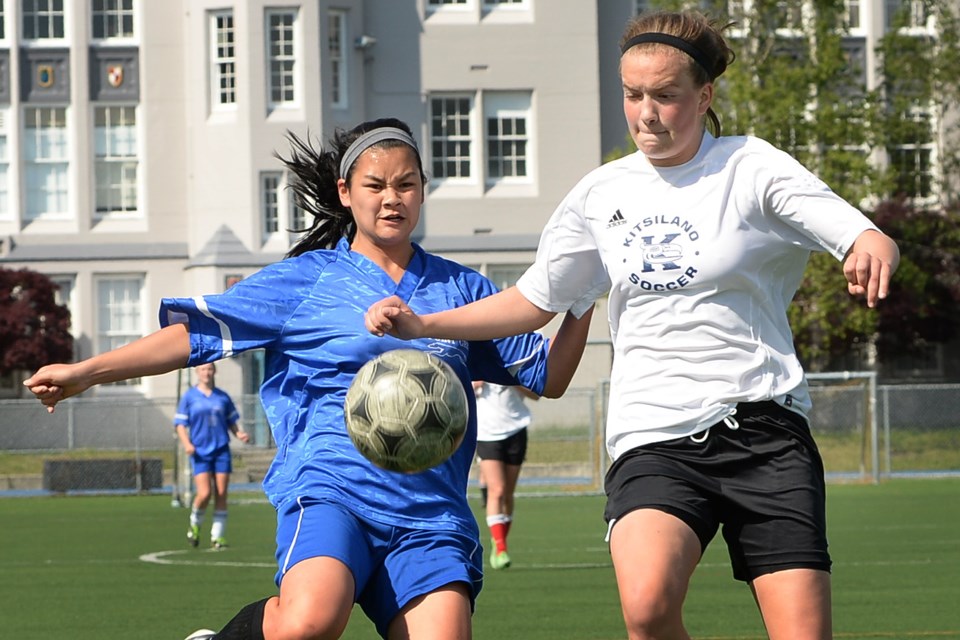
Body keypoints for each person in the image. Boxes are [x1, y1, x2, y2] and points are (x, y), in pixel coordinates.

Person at [365, 11, 900, 640]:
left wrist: (871, 244)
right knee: (646, 608)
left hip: (764, 427)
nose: (646, 111)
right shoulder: (601, 194)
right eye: (632, 94)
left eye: (666, 95)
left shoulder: (750, 168)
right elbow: (534, 301)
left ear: (703, 97)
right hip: (653, 435)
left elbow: (859, 232)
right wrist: (425, 322)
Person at [24, 117, 593, 640]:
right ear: (346, 194)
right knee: (308, 624)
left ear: (422, 189)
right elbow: (194, 337)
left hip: (428, 512)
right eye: (376, 185)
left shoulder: (463, 291)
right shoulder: (304, 282)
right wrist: (88, 371)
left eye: (406, 184)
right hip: (331, 491)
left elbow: (550, 374)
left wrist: (586, 294)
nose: (392, 198)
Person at [174, 362, 249, 550]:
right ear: (197, 372)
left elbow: (232, 421)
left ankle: (217, 537)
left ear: (214, 371)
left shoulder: (222, 397)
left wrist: (239, 434)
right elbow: (180, 425)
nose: (206, 373)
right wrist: (187, 444)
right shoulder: (189, 397)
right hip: (200, 451)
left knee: (221, 493)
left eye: (209, 369)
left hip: (221, 449)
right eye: (202, 369)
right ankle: (194, 524)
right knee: (205, 493)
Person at [472, 381, 538, 570]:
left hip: (516, 429)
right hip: (486, 434)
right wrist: (475, 384)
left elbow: (536, 394)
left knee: (508, 494)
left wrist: (513, 381)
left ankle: (498, 540)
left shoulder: (514, 363)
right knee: (497, 490)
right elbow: (457, 391)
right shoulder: (476, 361)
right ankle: (500, 548)